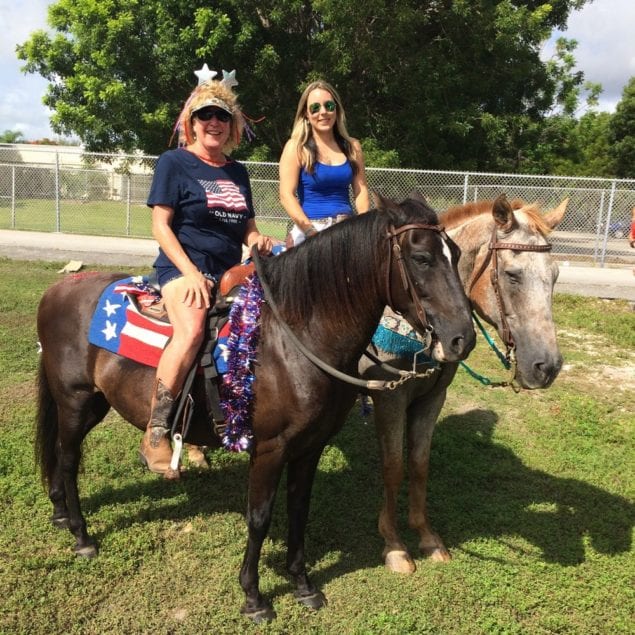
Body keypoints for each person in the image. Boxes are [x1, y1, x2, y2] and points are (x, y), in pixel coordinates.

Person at [140, 73, 273, 477]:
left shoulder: (238, 172)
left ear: (232, 126)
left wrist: (257, 240)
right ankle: (156, 431)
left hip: (231, 270)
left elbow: (245, 225)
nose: (213, 122)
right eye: (205, 115)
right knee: (194, 328)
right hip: (182, 267)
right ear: (191, 124)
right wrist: (191, 273)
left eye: (222, 115)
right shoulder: (175, 163)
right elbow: (161, 226)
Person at [279, 80, 370, 246]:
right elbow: (286, 195)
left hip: (346, 229)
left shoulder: (352, 147)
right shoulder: (296, 147)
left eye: (328, 106)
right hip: (310, 231)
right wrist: (310, 232)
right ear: (306, 114)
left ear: (337, 109)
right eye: (315, 108)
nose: (323, 112)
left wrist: (363, 226)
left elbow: (361, 189)